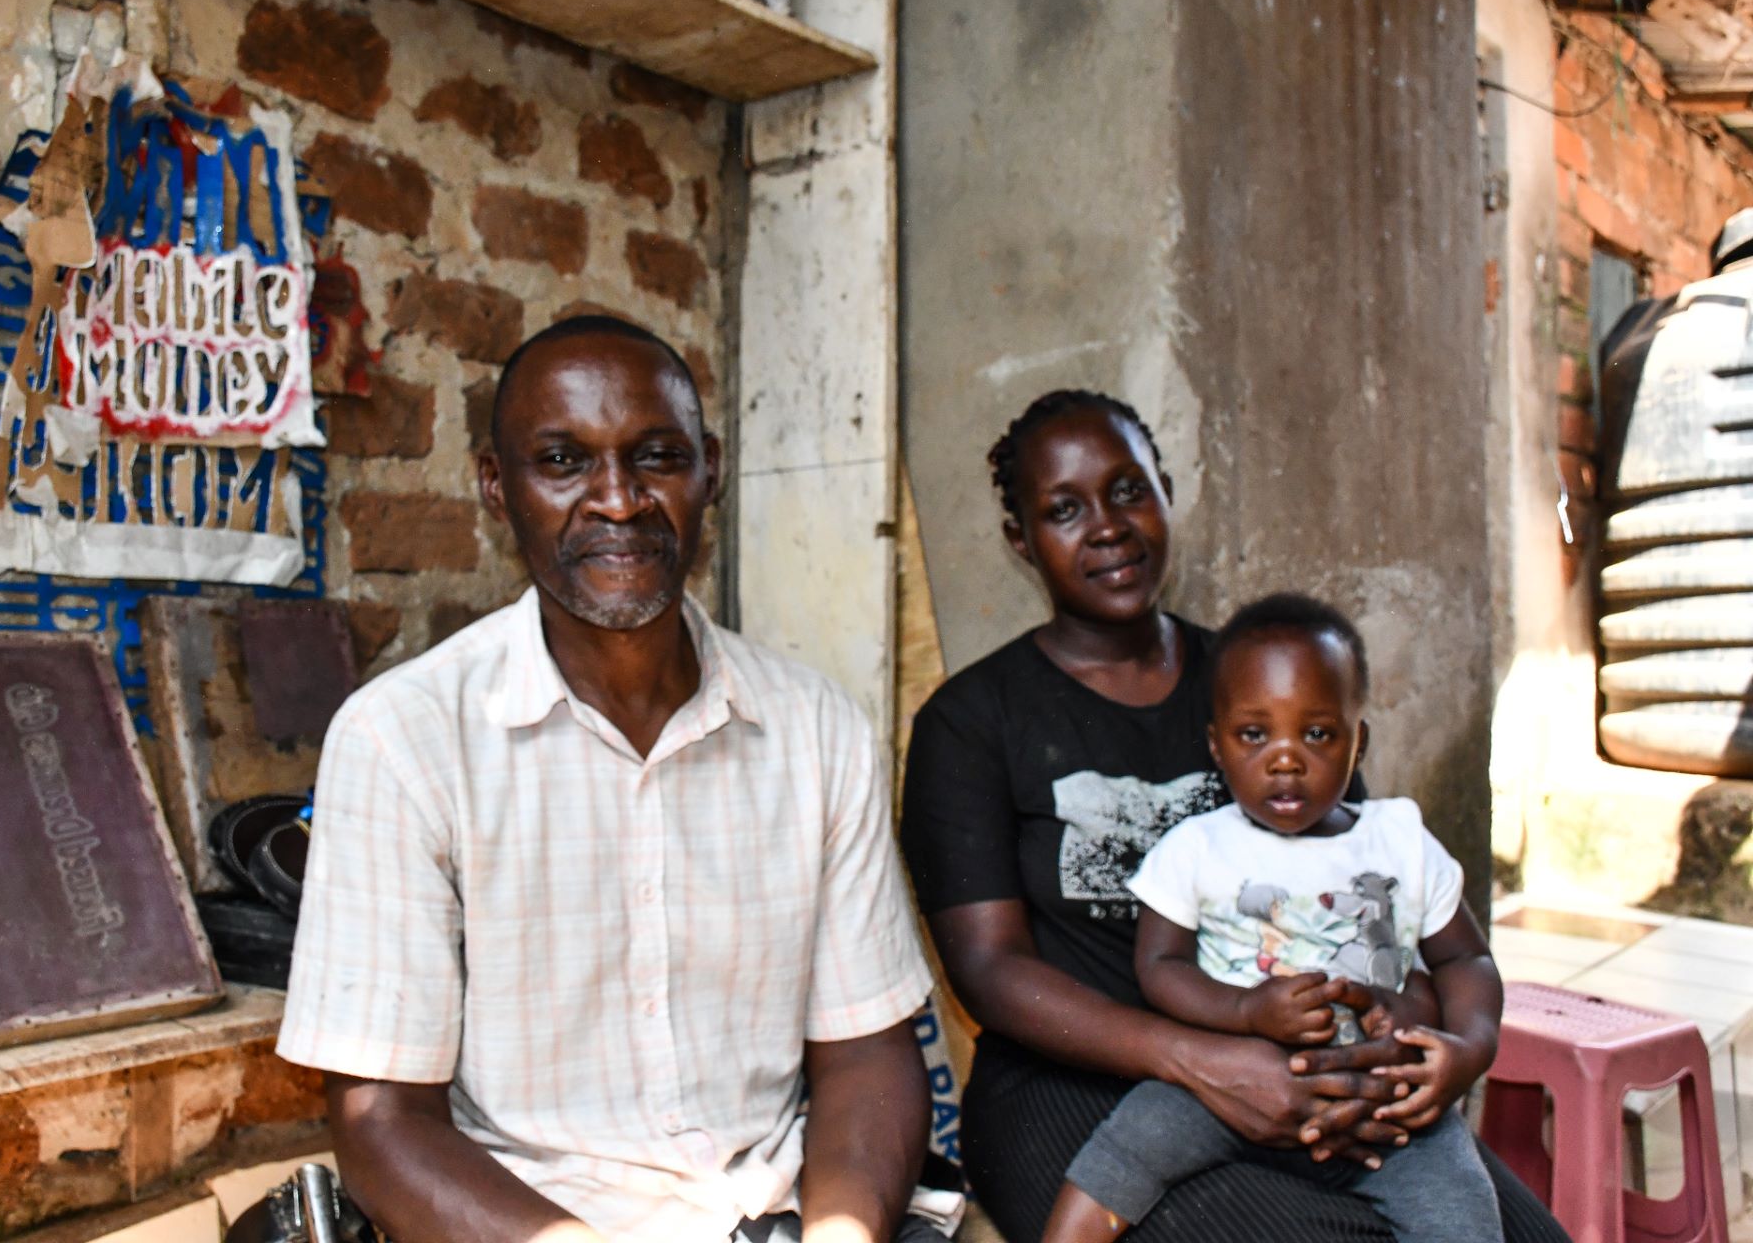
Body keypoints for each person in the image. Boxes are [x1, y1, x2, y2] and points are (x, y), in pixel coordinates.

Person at [278, 315, 960, 1243]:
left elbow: (868, 1058)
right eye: (562, 461)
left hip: (780, 1212)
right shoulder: (402, 741)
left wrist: (843, 1235)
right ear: (495, 485)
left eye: (656, 457)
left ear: (708, 470)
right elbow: (382, 1124)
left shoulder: (816, 729)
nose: (617, 500)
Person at [898, 389, 1567, 1243]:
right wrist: (1204, 1059)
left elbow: (1377, 898)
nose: (1106, 525)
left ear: (1166, 493)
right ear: (1020, 541)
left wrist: (1397, 1043)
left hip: (1306, 1062)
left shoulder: (1264, 684)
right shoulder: (972, 721)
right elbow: (991, 973)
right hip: (1084, 1085)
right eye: (1064, 510)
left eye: (1128, 490)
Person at [1042, 594, 1503, 1243]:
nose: (1285, 758)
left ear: (1358, 741)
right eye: (1254, 734)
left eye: (1316, 733)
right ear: (1217, 747)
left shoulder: (1399, 838)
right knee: (1123, 1153)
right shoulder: (1197, 849)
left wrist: (1469, 1051)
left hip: (1383, 1109)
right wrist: (1246, 1012)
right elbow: (1159, 965)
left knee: (1465, 1212)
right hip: (1225, 1093)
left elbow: (1465, 959)